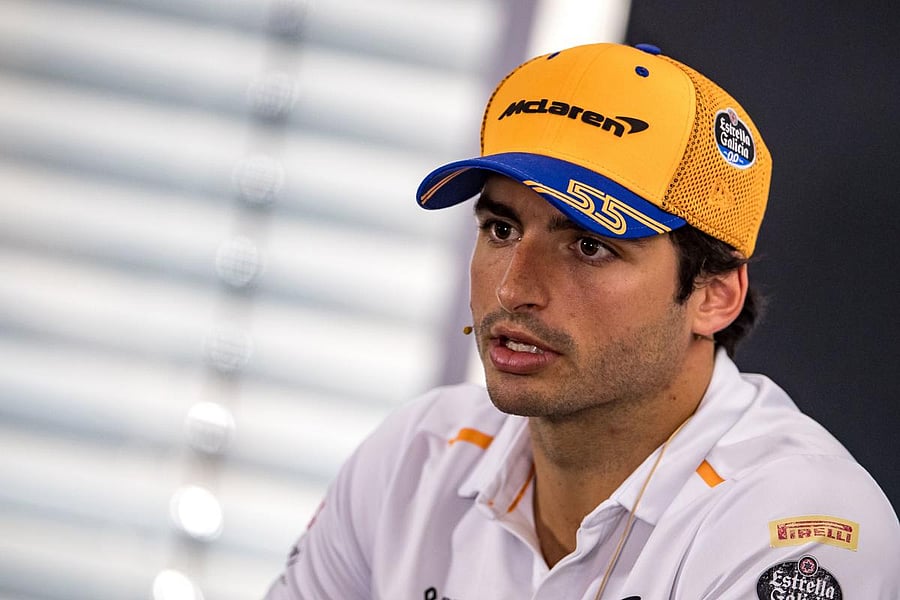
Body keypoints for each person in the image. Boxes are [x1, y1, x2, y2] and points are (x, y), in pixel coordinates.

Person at [265, 42, 900, 599]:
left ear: (714, 295)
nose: (514, 289)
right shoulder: (416, 457)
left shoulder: (800, 531)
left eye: (590, 244)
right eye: (501, 228)